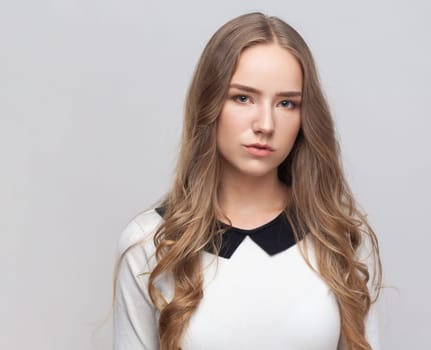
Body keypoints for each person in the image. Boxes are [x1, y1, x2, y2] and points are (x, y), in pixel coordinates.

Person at [112, 12, 382, 350]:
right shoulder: (150, 243)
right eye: (243, 98)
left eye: (286, 103)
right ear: (209, 104)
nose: (266, 124)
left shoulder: (341, 237)